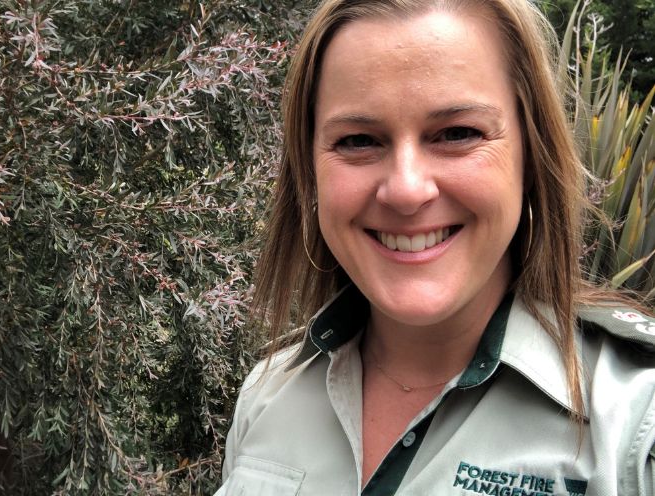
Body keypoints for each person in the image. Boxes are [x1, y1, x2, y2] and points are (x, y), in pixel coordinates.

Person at [214, 0, 655, 495]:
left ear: (531, 156)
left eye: (458, 133)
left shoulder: (636, 423)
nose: (406, 190)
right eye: (359, 140)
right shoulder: (267, 394)